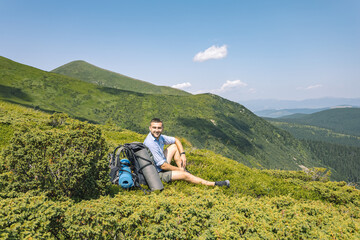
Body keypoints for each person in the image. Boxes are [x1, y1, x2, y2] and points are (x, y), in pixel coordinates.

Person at [143, 118, 230, 187]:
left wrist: (183, 154)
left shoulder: (159, 137)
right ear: (150, 128)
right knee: (185, 175)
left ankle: (183, 170)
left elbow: (176, 140)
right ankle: (213, 184)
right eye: (154, 128)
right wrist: (180, 170)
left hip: (158, 165)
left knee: (174, 146)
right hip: (156, 173)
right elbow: (163, 166)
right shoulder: (151, 143)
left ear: (162, 128)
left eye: (159, 128)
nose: (157, 130)